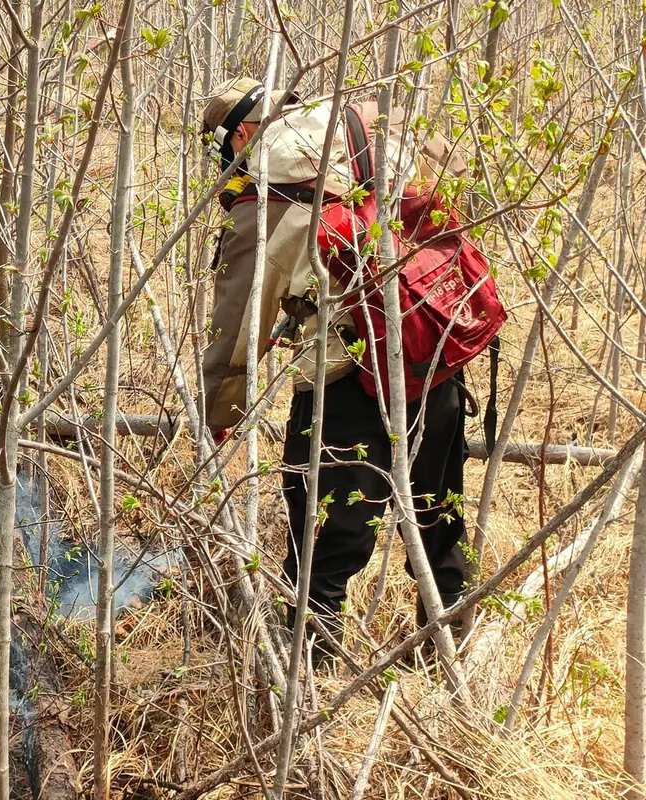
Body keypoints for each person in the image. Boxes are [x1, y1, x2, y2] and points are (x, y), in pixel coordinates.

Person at [199, 76, 475, 654]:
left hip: (343, 382)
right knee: (438, 526)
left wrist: (218, 413)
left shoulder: (264, 200)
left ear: (245, 133)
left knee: (322, 542)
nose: (229, 166)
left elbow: (235, 329)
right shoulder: (371, 128)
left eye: (227, 151)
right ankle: (454, 663)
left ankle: (307, 685)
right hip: (435, 355)